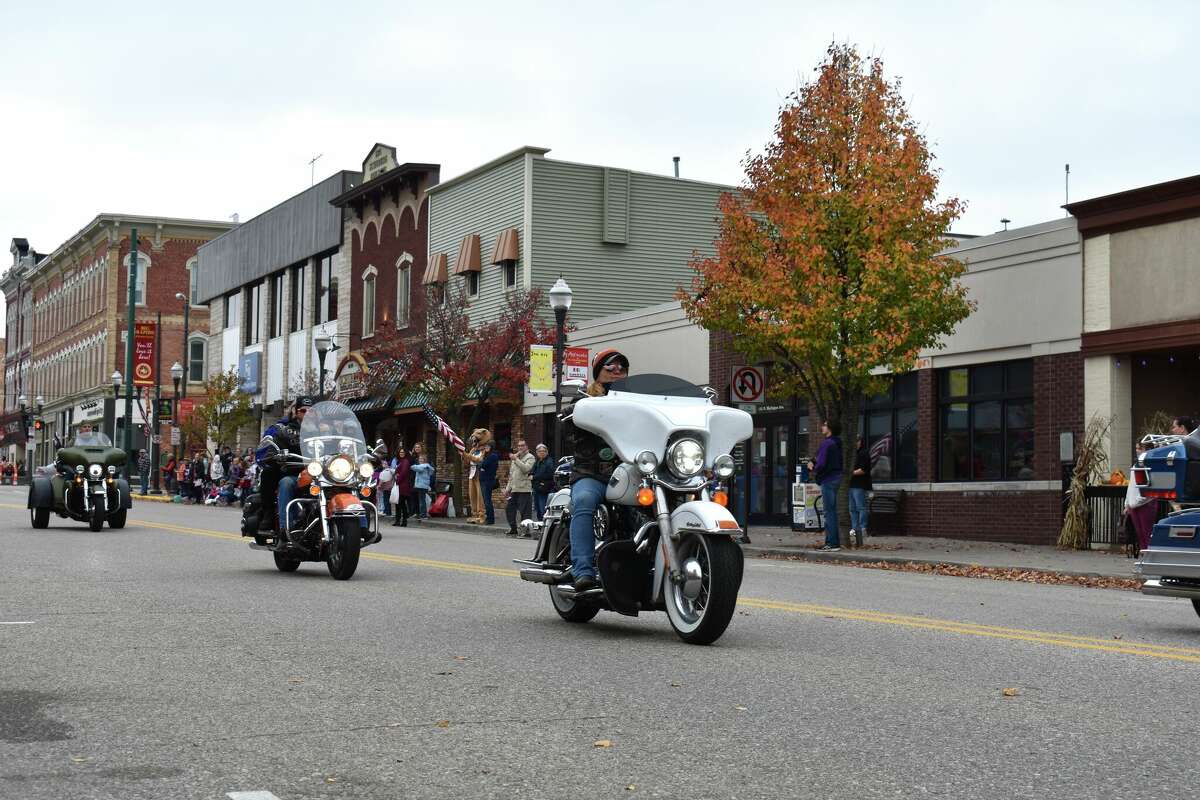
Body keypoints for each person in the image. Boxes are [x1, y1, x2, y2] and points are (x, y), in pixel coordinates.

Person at [565, 349, 630, 592]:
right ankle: (583, 570)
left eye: (621, 367)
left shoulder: (638, 400)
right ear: (598, 372)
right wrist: (574, 412)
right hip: (593, 473)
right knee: (584, 500)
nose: (616, 371)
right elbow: (570, 419)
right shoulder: (585, 399)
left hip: (631, 472)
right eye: (609, 367)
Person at [257, 397, 312, 535]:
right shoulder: (285, 431)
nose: (307, 414)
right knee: (285, 483)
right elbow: (272, 447)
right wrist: (275, 454)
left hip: (321, 474)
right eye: (303, 411)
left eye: (311, 411)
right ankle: (285, 528)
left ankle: (361, 526)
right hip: (295, 472)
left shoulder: (324, 430)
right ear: (296, 412)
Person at [808, 420, 843, 551]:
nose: (822, 427)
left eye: (825, 425)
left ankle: (832, 543)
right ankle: (833, 542)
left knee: (829, 512)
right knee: (832, 511)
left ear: (830, 428)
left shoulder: (827, 443)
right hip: (837, 477)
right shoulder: (838, 443)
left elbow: (821, 463)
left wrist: (812, 468)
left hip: (828, 479)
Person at [1126, 440, 1156, 553]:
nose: (1137, 451)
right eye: (1137, 448)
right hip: (1134, 504)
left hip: (1146, 503)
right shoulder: (1136, 464)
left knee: (1146, 532)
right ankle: (1144, 557)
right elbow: (1131, 486)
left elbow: (1150, 487)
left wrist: (1138, 501)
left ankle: (1149, 557)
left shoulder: (1151, 465)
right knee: (1139, 533)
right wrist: (1127, 503)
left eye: (1140, 448)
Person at [504, 439, 536, 536]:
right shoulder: (515, 458)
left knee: (525, 512)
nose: (520, 447)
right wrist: (507, 489)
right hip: (514, 489)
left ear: (527, 447)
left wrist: (515, 459)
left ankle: (526, 531)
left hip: (524, 489)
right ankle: (513, 528)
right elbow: (511, 475)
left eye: (522, 445)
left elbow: (526, 469)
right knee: (509, 509)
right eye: (519, 446)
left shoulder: (530, 457)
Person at [848, 437, 872, 543]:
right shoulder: (852, 454)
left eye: (855, 441)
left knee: (861, 507)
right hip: (851, 484)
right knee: (852, 508)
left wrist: (850, 473)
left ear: (859, 442)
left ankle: (862, 528)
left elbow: (863, 470)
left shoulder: (864, 453)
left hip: (860, 484)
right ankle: (855, 528)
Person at [531, 443, 555, 521]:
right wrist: (531, 475)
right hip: (537, 488)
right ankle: (541, 526)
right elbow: (532, 471)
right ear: (537, 453)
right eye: (540, 451)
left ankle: (545, 528)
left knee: (543, 509)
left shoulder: (549, 461)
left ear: (547, 452)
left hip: (545, 489)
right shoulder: (537, 461)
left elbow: (548, 474)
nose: (542, 452)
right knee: (538, 510)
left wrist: (534, 477)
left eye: (544, 451)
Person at [392, 447, 413, 527]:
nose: (401, 454)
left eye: (403, 452)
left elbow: (403, 473)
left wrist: (397, 481)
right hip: (400, 485)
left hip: (403, 486)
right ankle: (399, 520)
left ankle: (403, 521)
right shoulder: (401, 461)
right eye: (400, 452)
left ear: (406, 453)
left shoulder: (405, 461)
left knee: (401, 504)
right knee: (399, 504)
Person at [411, 453, 434, 520]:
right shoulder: (427, 466)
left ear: (425, 460)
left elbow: (414, 467)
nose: (420, 460)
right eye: (419, 459)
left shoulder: (423, 466)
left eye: (421, 459)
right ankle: (423, 514)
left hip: (421, 485)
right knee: (422, 500)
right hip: (423, 486)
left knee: (421, 501)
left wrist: (411, 465)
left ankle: (423, 515)